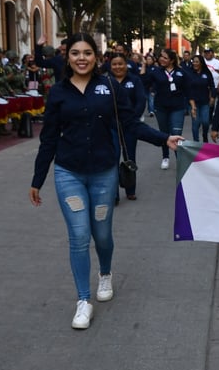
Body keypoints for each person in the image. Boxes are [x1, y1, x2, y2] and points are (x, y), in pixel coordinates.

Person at [30, 33, 184, 330]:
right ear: (68, 57)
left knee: (101, 234)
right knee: (78, 235)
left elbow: (130, 123)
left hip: (103, 173)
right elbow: (48, 137)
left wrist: (164, 139)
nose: (81, 58)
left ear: (95, 56)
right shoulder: (59, 92)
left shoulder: (109, 87)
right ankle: (83, 301)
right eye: (75, 53)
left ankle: (105, 273)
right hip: (68, 173)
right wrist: (38, 179)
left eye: (87, 52)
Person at [141, 48, 193, 169]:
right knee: (164, 134)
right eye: (161, 57)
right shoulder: (156, 71)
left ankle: (180, 159)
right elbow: (144, 82)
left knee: (176, 133)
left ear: (172, 60)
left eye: (165, 57)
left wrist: (193, 106)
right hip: (161, 107)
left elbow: (188, 90)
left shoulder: (181, 72)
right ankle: (165, 157)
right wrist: (143, 66)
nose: (161, 59)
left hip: (178, 108)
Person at [106, 52, 148, 201]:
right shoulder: (106, 82)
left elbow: (141, 100)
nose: (118, 67)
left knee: (130, 157)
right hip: (110, 127)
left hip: (130, 126)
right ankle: (114, 194)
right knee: (113, 158)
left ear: (126, 65)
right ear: (110, 66)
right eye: (114, 64)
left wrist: (132, 118)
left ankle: (130, 189)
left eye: (120, 64)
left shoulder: (135, 80)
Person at [188, 54, 215, 143]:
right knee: (195, 123)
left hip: (204, 102)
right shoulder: (189, 73)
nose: (195, 64)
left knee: (205, 122)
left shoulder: (206, 73)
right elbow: (186, 88)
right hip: (193, 102)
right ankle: (196, 142)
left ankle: (204, 135)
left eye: (197, 62)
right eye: (193, 62)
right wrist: (192, 104)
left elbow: (212, 86)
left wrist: (212, 97)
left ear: (201, 63)